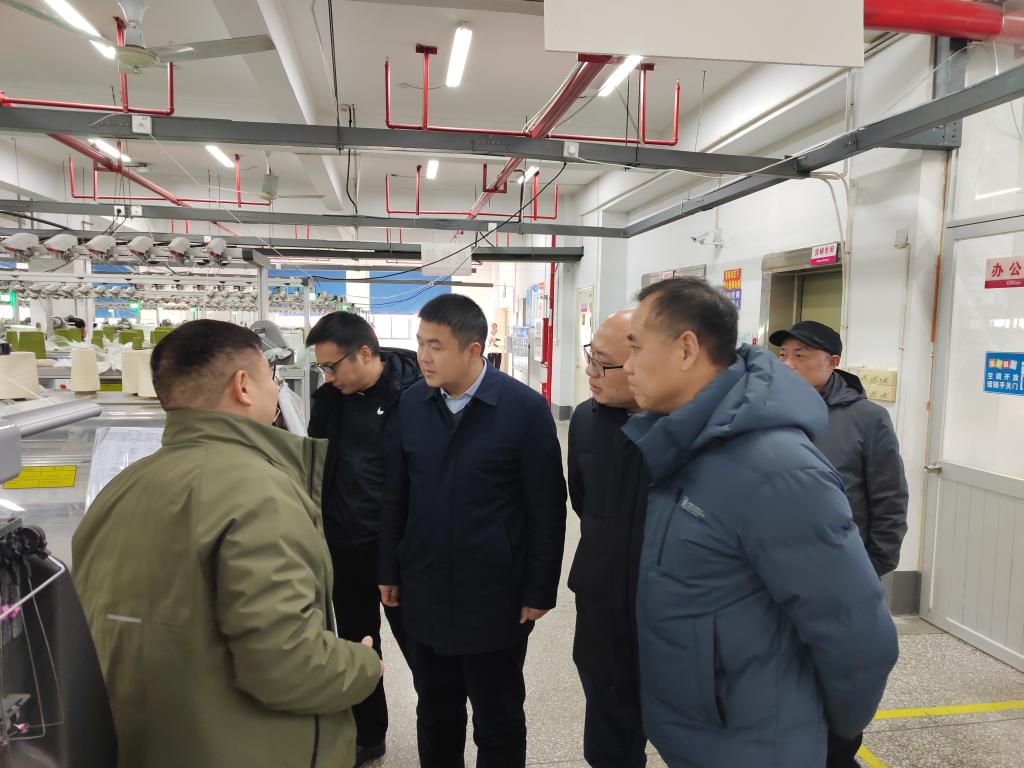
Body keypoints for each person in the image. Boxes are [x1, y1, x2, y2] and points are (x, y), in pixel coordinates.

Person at [72, 320, 383, 768]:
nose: (277, 391)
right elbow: (286, 664)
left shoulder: (119, 489)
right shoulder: (259, 493)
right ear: (243, 386)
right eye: (271, 378)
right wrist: (362, 666)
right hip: (244, 745)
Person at [622, 277, 898, 768]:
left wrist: (833, 734)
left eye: (636, 348)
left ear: (686, 349)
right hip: (706, 732)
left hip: (758, 741)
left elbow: (856, 631)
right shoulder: (685, 446)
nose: (627, 366)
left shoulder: (775, 468)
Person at [378, 294, 567, 768]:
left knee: (498, 719)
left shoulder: (522, 409)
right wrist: (389, 569)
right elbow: (396, 494)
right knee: (435, 713)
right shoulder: (413, 404)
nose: (423, 356)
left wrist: (539, 589)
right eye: (420, 343)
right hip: (424, 586)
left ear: (472, 350)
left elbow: (547, 508)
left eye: (436, 345)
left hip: (495, 594)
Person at [770, 319, 910, 768]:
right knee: (784, 673)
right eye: (783, 356)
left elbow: (889, 500)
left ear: (832, 362)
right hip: (779, 574)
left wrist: (870, 568)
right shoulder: (768, 409)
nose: (788, 365)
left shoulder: (867, 418)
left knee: (841, 677)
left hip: (845, 576)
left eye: (801, 356)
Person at [306, 311, 422, 767]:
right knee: (358, 644)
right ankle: (368, 736)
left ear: (365, 354)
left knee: (421, 648)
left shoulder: (415, 395)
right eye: (322, 368)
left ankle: (439, 736)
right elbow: (318, 466)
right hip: (345, 543)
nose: (328, 377)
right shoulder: (328, 400)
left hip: (401, 547)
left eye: (333, 366)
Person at [567, 310, 648, 768]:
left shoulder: (693, 428)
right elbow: (583, 501)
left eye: (603, 363)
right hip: (600, 600)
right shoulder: (586, 419)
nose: (590, 372)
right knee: (607, 726)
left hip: (664, 609)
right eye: (590, 357)